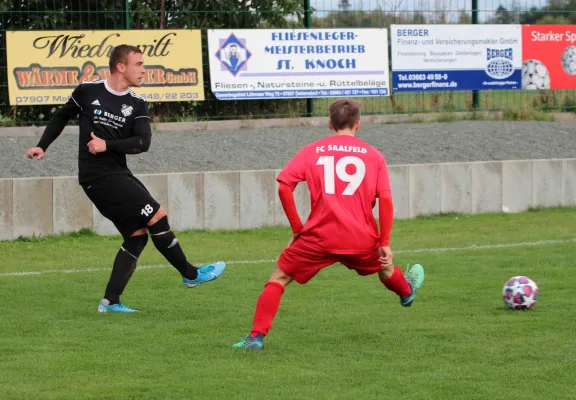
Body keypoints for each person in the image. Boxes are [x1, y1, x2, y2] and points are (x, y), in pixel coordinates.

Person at [26, 44, 225, 313]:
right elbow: (61, 116)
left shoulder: (138, 103)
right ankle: (190, 274)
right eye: (139, 64)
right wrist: (42, 145)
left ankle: (110, 301)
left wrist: (107, 145)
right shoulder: (88, 91)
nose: (144, 70)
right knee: (156, 214)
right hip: (96, 175)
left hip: (118, 173)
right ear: (121, 66)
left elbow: (143, 142)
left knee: (137, 235)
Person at [233, 98, 425, 350]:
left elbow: (284, 186)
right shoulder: (374, 156)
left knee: (279, 278)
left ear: (329, 124)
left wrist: (297, 229)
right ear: (358, 124)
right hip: (360, 237)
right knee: (386, 268)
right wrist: (385, 242)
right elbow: (386, 198)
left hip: (318, 237)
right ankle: (406, 292)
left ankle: (255, 338)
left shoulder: (312, 150)